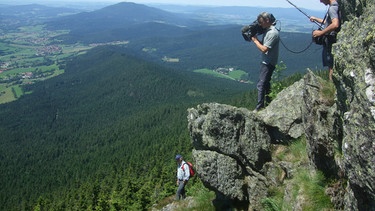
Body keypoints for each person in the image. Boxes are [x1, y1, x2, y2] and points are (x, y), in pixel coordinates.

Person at [251, 12, 280, 112]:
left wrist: (255, 40)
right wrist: (256, 38)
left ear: (267, 21)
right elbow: (264, 45)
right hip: (266, 61)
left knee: (261, 84)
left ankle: (259, 108)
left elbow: (264, 49)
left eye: (261, 22)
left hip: (268, 63)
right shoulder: (268, 31)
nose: (260, 24)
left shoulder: (272, 33)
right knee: (266, 84)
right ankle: (269, 103)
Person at [310, 0, 341, 81]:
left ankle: (332, 85)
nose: (320, 2)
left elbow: (335, 24)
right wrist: (316, 19)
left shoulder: (332, 8)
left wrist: (321, 33)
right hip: (332, 40)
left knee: (330, 65)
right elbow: (329, 22)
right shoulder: (336, 6)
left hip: (330, 40)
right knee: (330, 64)